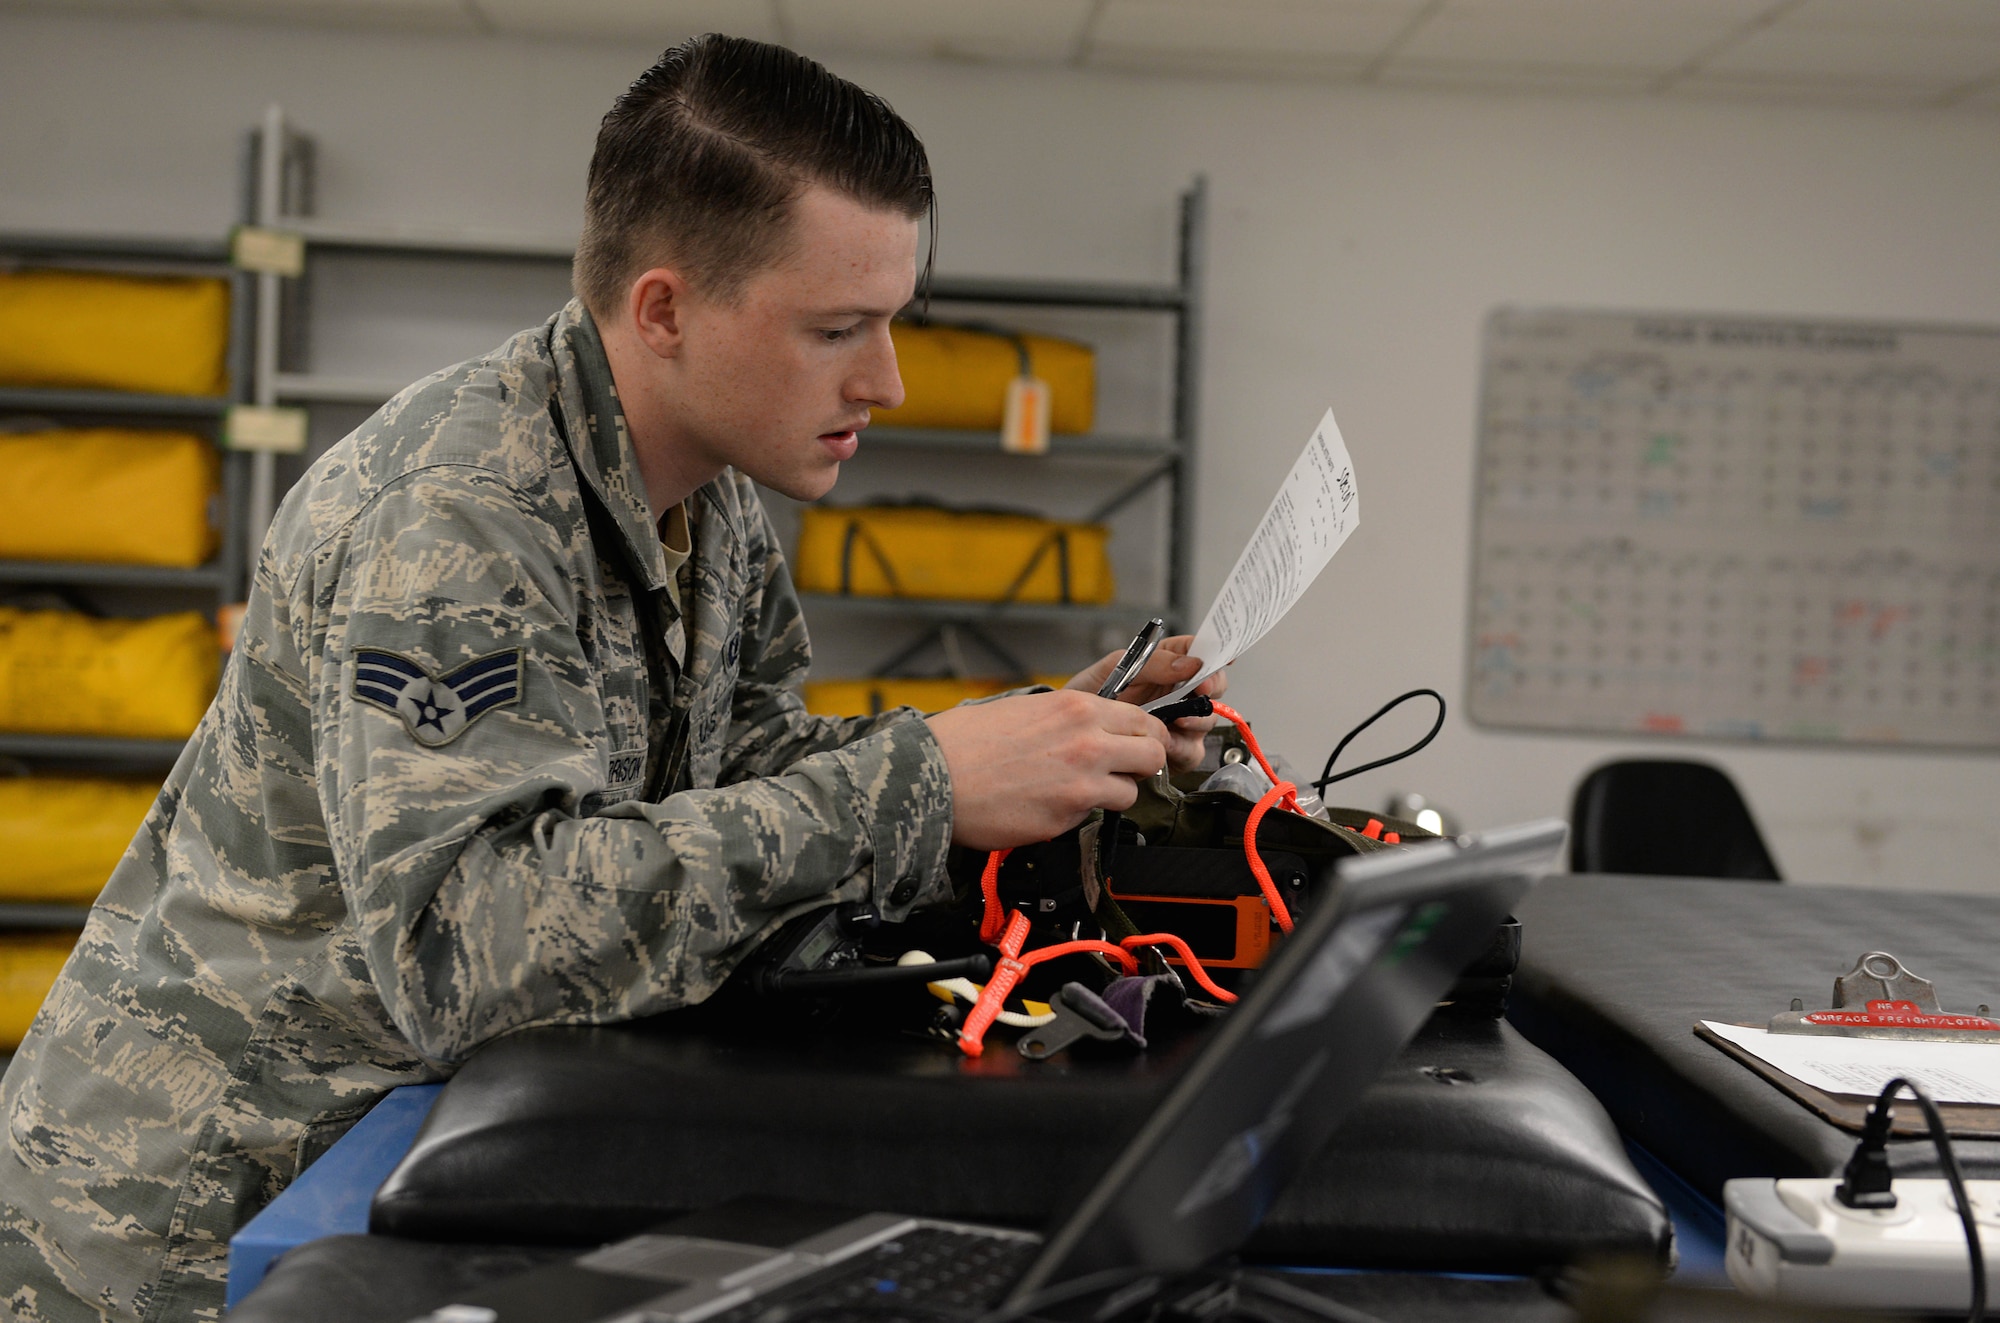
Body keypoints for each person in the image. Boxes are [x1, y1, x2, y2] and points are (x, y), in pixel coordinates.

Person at [0, 33, 1222, 1323]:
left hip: (397, 1158)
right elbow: (473, 945)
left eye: (893, 324)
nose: (889, 382)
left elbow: (740, 771)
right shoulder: (458, 515)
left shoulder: (711, 497)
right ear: (664, 310)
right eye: (836, 330)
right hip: (182, 1230)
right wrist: (916, 784)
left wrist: (1027, 744)